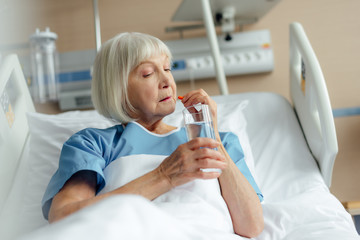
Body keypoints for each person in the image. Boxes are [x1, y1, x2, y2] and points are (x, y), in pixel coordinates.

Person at [41, 32, 264, 238]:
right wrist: (164, 175)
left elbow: (251, 226)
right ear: (118, 89)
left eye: (168, 68)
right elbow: (64, 217)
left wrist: (211, 135)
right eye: (148, 73)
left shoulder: (219, 141)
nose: (167, 81)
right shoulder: (93, 144)